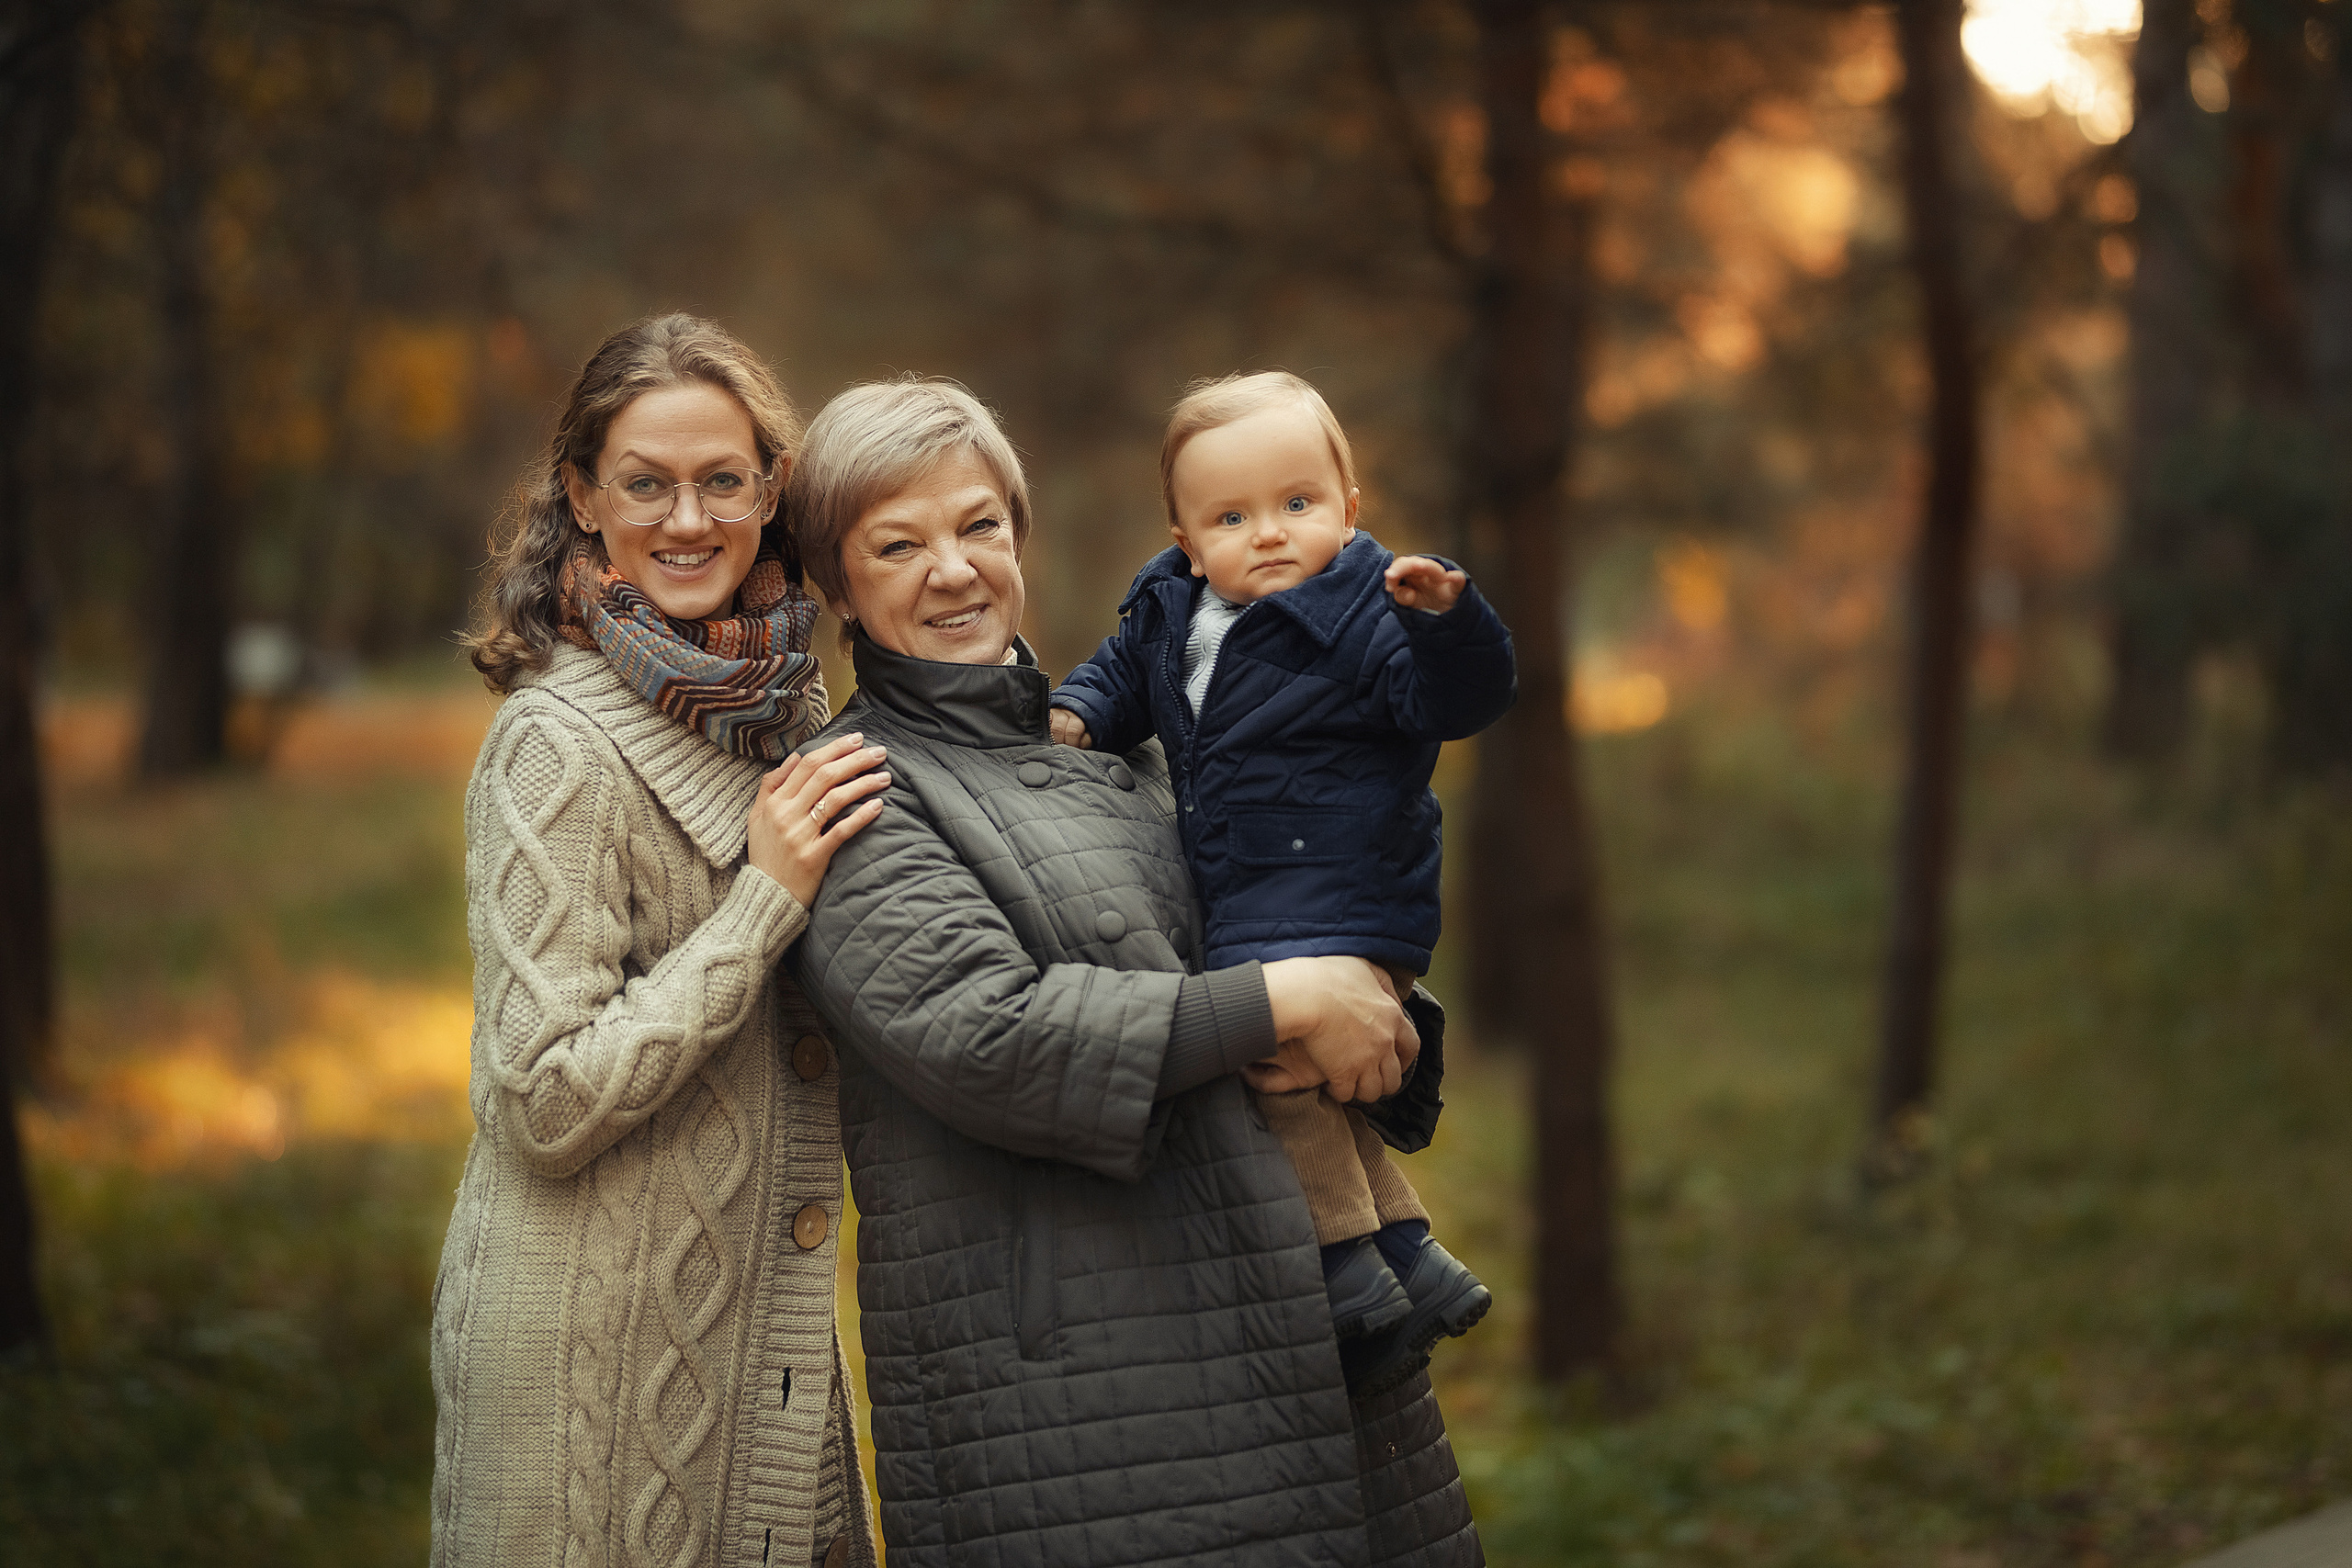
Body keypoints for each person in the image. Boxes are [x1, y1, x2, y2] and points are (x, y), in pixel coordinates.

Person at [785, 375, 1481, 1568]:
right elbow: (987, 1036)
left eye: (978, 526)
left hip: (1311, 1328)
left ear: (1018, 534)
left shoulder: (1143, 740)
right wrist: (1284, 1000)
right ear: (836, 583)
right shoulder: (855, 787)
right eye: (897, 544)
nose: (952, 569)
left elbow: (1271, 920)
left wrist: (1373, 1011)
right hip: (1084, 1395)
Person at [431, 313, 888, 1568]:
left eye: (721, 479)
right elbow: (541, 1094)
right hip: (599, 1345)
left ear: (769, 491)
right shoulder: (553, 745)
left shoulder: (788, 704)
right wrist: (763, 901)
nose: (687, 518)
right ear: (583, 497)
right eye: (646, 482)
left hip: (762, 1322)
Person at [1047, 369, 1517, 1395]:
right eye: (1231, 514)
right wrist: (1077, 717)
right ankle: (1411, 1261)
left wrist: (1447, 622)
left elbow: (1455, 698)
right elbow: (1123, 675)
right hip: (1255, 892)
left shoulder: (1367, 614)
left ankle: (1345, 1273)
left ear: (1349, 511)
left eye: (1296, 504)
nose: (1267, 533)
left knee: (1274, 1075)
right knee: (1311, 1084)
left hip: (1341, 894)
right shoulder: (1171, 608)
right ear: (1183, 537)